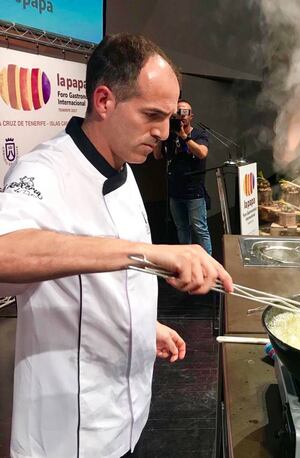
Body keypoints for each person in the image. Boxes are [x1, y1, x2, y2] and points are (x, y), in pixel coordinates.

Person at [0, 34, 233, 458]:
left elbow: (103, 289)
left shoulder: (124, 171)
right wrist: (150, 254)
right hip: (67, 435)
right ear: (104, 101)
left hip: (127, 418)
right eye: (151, 115)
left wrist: (142, 326)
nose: (163, 132)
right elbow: (5, 252)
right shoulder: (45, 171)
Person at [154, 99, 213, 254]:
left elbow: (202, 153)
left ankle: (209, 262)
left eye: (185, 112)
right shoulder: (169, 135)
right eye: (178, 112)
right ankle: (187, 259)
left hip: (194, 191)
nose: (182, 116)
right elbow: (157, 155)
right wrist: (161, 137)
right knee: (181, 228)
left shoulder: (199, 134)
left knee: (199, 229)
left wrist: (184, 136)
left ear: (191, 116)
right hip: (175, 191)